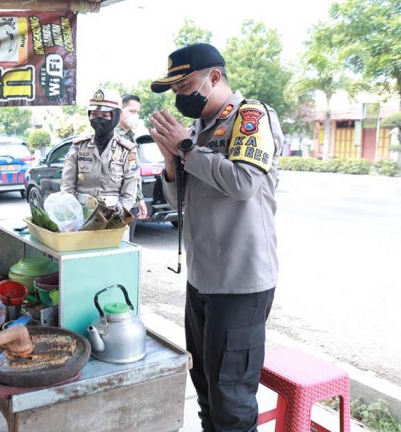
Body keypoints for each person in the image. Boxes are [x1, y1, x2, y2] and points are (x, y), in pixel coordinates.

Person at [148, 43, 283, 432]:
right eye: (174, 91)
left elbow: (242, 183)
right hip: (202, 279)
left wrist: (187, 151)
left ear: (214, 78)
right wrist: (170, 161)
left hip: (240, 284)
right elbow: (179, 200)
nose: (180, 96)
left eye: (185, 85)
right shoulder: (196, 131)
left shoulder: (250, 116)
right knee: (206, 387)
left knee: (232, 401)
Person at [61, 88, 140, 213]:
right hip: (81, 217)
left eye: (104, 115)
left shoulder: (128, 150)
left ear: (116, 116)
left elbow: (129, 194)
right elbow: (67, 187)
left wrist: (113, 214)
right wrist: (73, 213)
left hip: (114, 218)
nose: (98, 119)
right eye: (94, 114)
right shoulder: (78, 147)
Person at [115, 93, 148, 241]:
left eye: (138, 112)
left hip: (131, 200)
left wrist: (139, 198)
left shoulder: (130, 136)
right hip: (117, 203)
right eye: (131, 111)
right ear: (120, 111)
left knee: (128, 243)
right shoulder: (112, 136)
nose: (135, 115)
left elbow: (132, 170)